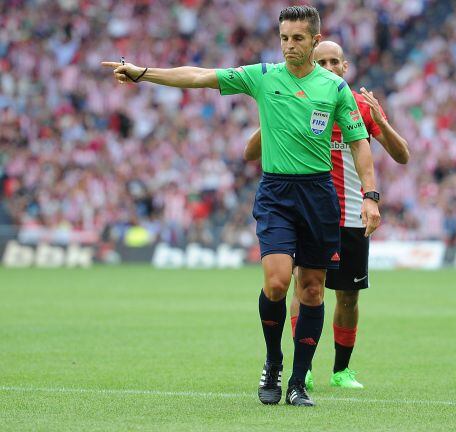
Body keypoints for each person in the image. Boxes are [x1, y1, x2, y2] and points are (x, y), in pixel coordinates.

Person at [102, 5, 381, 407]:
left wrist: (370, 197)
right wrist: (144, 72)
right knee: (277, 282)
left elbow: (359, 146)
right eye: (284, 38)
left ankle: (299, 383)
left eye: (298, 38)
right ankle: (273, 362)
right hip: (277, 193)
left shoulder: (335, 89)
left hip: (319, 195)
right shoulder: (264, 76)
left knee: (314, 290)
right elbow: (199, 77)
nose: (289, 46)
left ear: (315, 40)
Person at [244, 40, 410, 391]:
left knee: (348, 297)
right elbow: (249, 153)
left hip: (351, 214)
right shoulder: (291, 99)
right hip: (311, 212)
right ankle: (300, 370)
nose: (331, 66)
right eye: (324, 61)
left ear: (346, 67)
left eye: (336, 61)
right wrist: (272, 115)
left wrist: (381, 121)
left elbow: (402, 155)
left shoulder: (358, 108)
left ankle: (341, 370)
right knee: (303, 288)